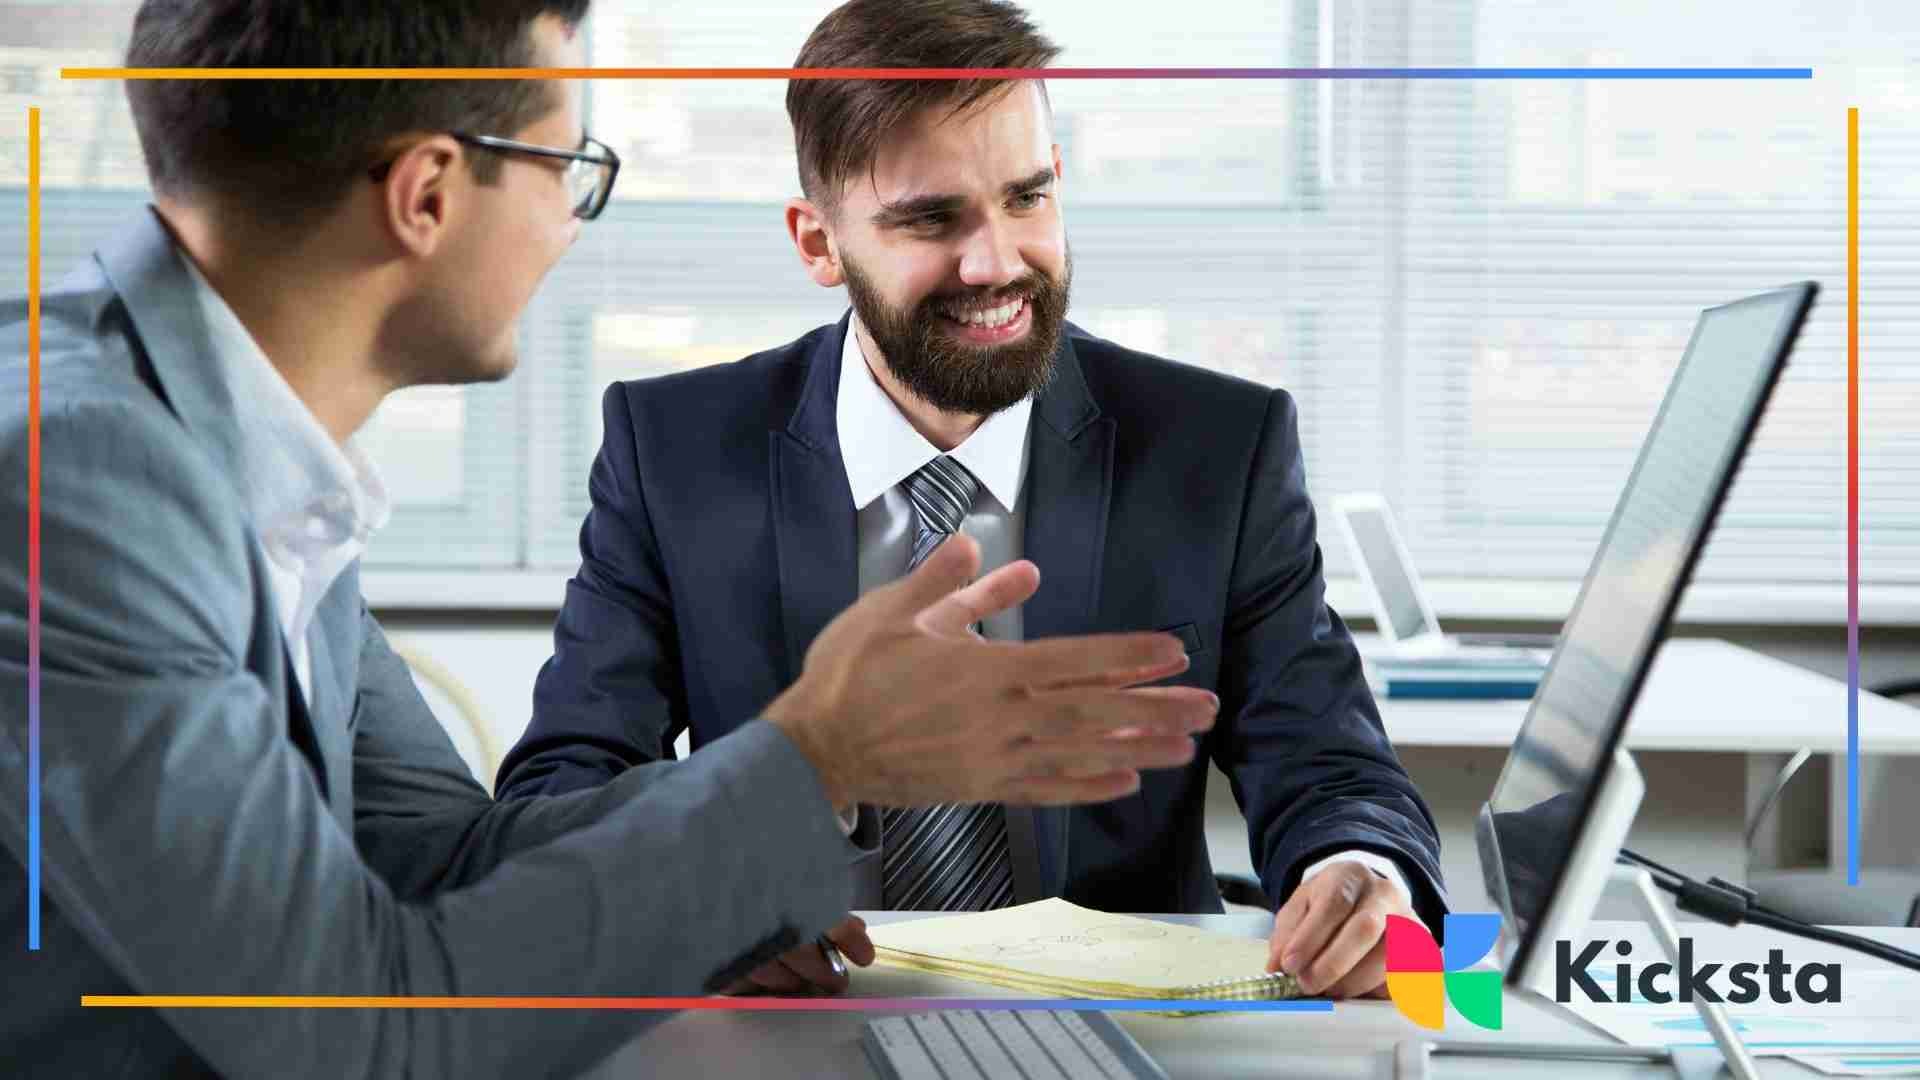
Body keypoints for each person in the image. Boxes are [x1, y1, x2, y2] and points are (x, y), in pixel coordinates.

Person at [0, 2, 1218, 1075]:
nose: (570, 226)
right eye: (565, 168)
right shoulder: (87, 483)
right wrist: (812, 759)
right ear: (426, 194)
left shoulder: (221, 443)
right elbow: (356, 1032)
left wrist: (808, 793)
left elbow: (441, 855)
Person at [498, 0, 1446, 1002]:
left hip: (1118, 1027)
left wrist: (1363, 875)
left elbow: (1334, 767)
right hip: (784, 1027)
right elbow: (567, 780)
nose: (997, 262)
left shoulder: (1216, 449)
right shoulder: (677, 451)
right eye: (930, 219)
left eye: (1026, 199)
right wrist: (684, 893)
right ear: (819, 243)